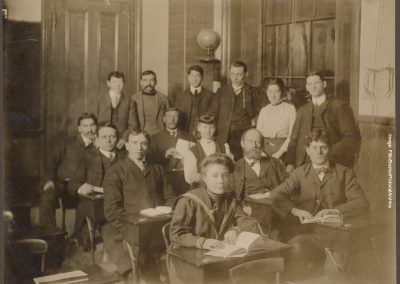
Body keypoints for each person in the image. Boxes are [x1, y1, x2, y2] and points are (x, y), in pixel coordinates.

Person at [270, 129, 369, 281]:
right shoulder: (299, 173)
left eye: (323, 147)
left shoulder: (345, 173)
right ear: (307, 150)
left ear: (329, 149)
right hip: (310, 234)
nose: (319, 152)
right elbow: (276, 195)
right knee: (294, 248)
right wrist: (296, 211)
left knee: (337, 267)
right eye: (314, 148)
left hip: (338, 235)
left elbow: (361, 202)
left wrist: (335, 211)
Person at [102, 130, 176, 282]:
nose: (139, 147)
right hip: (133, 227)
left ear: (148, 146)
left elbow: (171, 198)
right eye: (135, 143)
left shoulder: (158, 169)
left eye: (143, 143)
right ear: (127, 146)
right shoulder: (116, 171)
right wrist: (130, 225)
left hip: (159, 225)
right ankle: (142, 274)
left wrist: (166, 213)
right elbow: (111, 209)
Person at [170, 153, 260, 249]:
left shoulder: (231, 201)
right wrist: (202, 242)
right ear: (204, 177)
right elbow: (176, 234)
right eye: (215, 176)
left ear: (229, 177)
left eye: (224, 175)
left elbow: (250, 223)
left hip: (218, 253)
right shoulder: (188, 201)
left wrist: (236, 230)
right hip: (188, 254)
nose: (221, 181)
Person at [285, 71, 361, 173]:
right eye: (310, 84)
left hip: (331, 160)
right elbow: (294, 139)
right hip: (304, 162)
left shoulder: (339, 107)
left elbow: (350, 138)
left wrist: (328, 152)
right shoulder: (302, 110)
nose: (313, 87)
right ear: (307, 87)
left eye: (316, 83)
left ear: (324, 84)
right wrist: (290, 162)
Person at [68, 122, 126, 249]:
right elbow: (72, 184)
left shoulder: (125, 157)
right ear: (97, 139)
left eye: (112, 136)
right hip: (98, 206)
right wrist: (80, 187)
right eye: (104, 137)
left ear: (117, 139)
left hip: (123, 203)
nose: (109, 140)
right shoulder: (88, 157)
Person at [39, 113, 97, 227]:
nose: (89, 129)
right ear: (79, 128)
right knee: (47, 197)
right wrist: (49, 180)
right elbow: (51, 163)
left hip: (82, 186)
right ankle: (50, 235)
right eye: (85, 126)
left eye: (92, 125)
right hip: (62, 184)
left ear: (96, 127)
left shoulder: (99, 145)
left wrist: (98, 147)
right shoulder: (67, 142)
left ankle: (80, 239)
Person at [209, 61, 259, 160]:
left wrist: (253, 123)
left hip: (243, 137)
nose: (235, 78)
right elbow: (212, 113)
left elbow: (262, 113)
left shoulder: (253, 92)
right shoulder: (221, 92)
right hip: (223, 136)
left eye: (239, 74)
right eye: (232, 74)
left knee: (241, 164)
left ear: (245, 74)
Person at [149, 107, 193, 196]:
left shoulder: (188, 136)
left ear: (179, 119)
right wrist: (165, 155)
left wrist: (188, 159)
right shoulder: (155, 137)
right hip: (165, 178)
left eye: (175, 117)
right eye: (169, 116)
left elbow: (195, 156)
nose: (172, 120)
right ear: (164, 119)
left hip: (184, 177)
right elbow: (150, 158)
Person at [183, 115, 233, 186]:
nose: (208, 131)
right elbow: (189, 178)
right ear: (199, 128)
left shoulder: (224, 147)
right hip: (200, 189)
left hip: (221, 186)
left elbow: (231, 169)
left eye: (211, 127)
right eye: (205, 127)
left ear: (215, 128)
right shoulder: (192, 151)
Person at [96, 71, 140, 149]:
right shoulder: (99, 99)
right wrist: (96, 137)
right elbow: (93, 121)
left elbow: (133, 125)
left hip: (120, 141)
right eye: (114, 82)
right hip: (101, 140)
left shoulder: (130, 102)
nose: (117, 85)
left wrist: (123, 138)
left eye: (120, 82)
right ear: (108, 83)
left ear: (124, 84)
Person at [256, 78, 296, 160]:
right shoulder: (264, 110)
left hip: (283, 150)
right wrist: (261, 152)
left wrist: (278, 154)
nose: (273, 96)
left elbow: (292, 135)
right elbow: (258, 134)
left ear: (282, 92)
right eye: (270, 92)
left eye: (276, 92)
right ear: (266, 93)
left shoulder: (290, 109)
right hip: (264, 151)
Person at [170, 65, 213, 135]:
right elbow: (176, 116)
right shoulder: (180, 96)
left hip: (203, 133)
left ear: (202, 77)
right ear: (188, 77)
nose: (195, 79)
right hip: (184, 132)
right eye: (192, 76)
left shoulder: (210, 95)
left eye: (198, 76)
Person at [131, 70, 169, 135]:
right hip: (140, 134)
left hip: (159, 134)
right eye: (145, 80)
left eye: (151, 80)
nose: (148, 83)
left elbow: (168, 118)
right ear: (141, 82)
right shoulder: (134, 98)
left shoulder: (163, 98)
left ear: (155, 82)